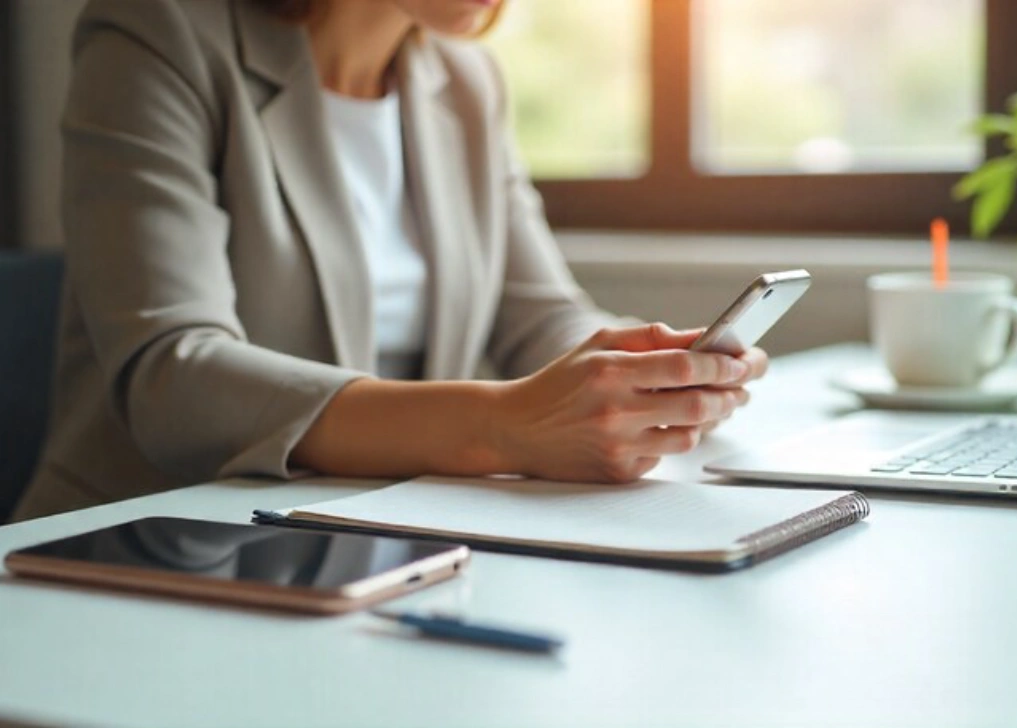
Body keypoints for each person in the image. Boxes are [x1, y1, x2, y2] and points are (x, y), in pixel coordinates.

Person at [12, 0, 768, 522]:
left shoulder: (467, 83)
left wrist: (653, 367)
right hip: (135, 551)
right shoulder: (158, 33)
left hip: (357, 538)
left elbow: (539, 317)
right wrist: (504, 425)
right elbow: (174, 374)